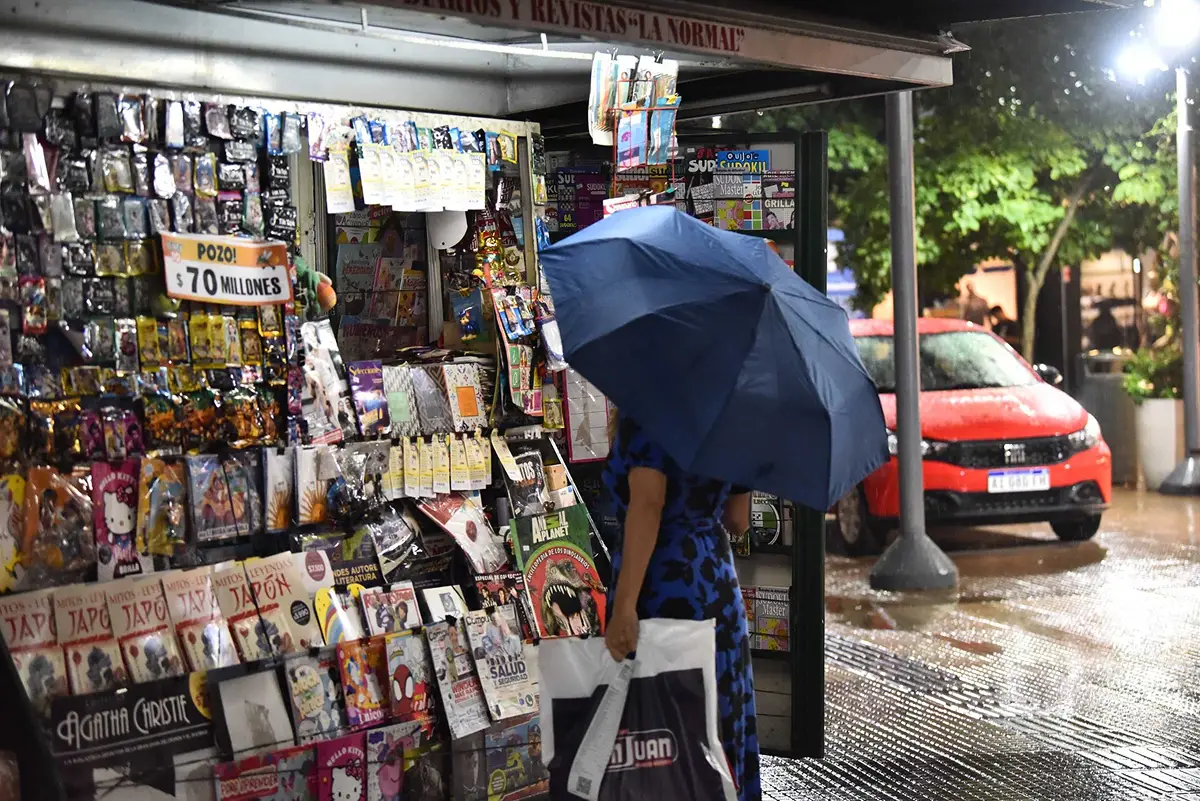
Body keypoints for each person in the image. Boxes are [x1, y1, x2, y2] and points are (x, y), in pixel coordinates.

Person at [601, 413, 760, 801]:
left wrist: (624, 606)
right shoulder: (730, 415)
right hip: (716, 580)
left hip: (661, 583)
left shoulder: (651, 410)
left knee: (657, 732)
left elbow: (648, 503)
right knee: (717, 725)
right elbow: (738, 520)